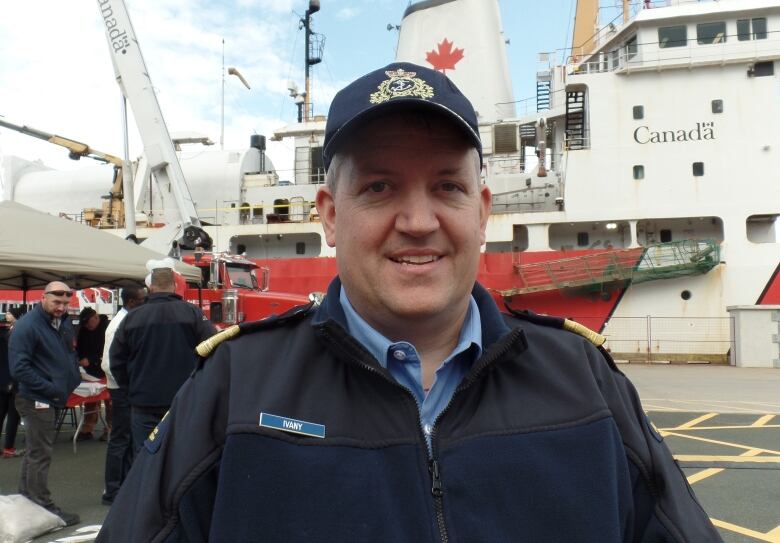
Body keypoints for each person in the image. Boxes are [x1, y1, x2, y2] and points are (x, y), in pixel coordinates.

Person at [98, 63, 722, 541]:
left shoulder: (585, 379)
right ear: (331, 216)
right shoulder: (234, 386)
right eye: (379, 187)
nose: (419, 221)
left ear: (480, 213)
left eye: (447, 186)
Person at [109, 267, 216, 453]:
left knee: (145, 458)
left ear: (150, 287)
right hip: (184, 399)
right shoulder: (193, 313)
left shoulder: (132, 318)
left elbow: (116, 360)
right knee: (183, 456)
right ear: (174, 286)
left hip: (143, 401)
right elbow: (213, 347)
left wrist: (131, 388)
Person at [9, 282, 80, 527]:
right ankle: (42, 505)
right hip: (36, 397)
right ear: (43, 297)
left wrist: (73, 377)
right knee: (40, 452)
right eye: (56, 302)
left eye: (65, 303)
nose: (61, 307)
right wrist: (53, 388)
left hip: (48, 395)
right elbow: (19, 368)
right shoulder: (28, 326)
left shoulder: (60, 321)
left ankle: (28, 498)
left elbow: (68, 352)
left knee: (35, 450)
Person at [100, 285, 146, 506]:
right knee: (120, 440)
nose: (145, 303)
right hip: (121, 390)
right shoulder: (118, 324)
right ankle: (113, 490)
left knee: (127, 439)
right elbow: (108, 364)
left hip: (125, 388)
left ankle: (123, 485)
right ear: (131, 303)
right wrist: (129, 384)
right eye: (142, 300)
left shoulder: (128, 320)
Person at [75, 306, 110, 441]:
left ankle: (110, 429)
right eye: (85, 325)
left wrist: (92, 359)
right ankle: (87, 428)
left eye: (88, 324)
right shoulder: (84, 330)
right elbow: (79, 348)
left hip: (106, 369)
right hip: (89, 372)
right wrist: (80, 358)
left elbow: (109, 351)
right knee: (90, 399)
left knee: (110, 401)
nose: (87, 327)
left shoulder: (108, 327)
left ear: (95, 318)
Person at [0, 309, 22, 458]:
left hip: (4, 378)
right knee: (13, 415)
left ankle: (8, 447)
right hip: (13, 379)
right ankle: (8, 447)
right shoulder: (13, 335)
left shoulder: (8, 333)